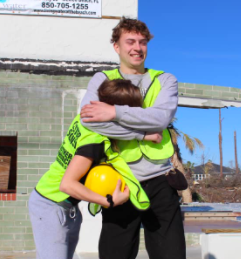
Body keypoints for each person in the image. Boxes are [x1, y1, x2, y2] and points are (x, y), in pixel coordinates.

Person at [80, 17, 186, 259]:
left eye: (143, 42)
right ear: (116, 46)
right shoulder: (101, 79)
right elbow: (89, 121)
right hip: (119, 181)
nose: (137, 48)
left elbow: (160, 118)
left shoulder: (165, 80)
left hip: (161, 181)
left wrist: (113, 112)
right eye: (130, 41)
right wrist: (143, 133)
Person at [28, 79, 152, 259]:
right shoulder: (94, 140)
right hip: (51, 205)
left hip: (62, 206)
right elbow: (67, 185)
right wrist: (108, 201)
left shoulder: (85, 119)